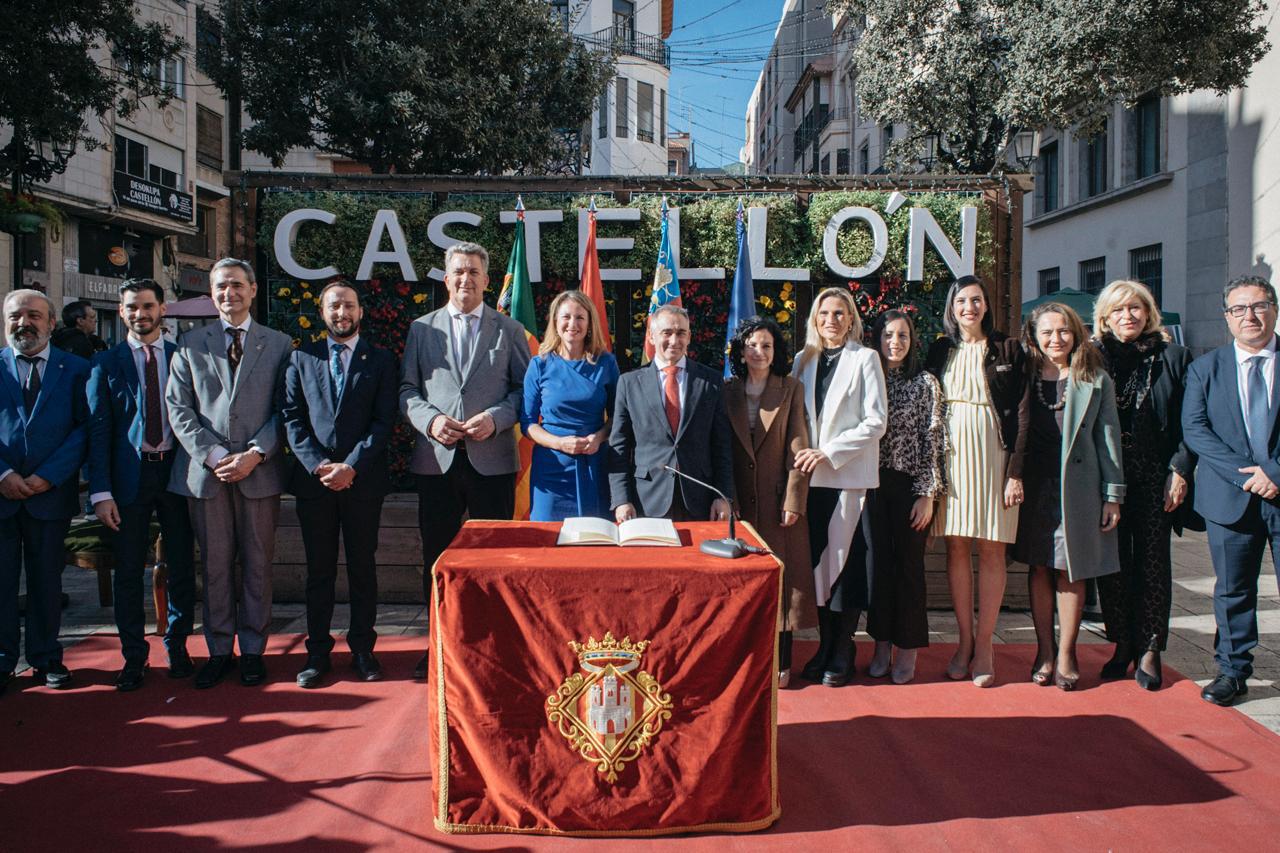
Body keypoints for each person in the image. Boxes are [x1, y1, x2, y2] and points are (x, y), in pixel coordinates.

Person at [401, 242, 530, 680]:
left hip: (492, 460)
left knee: (495, 559)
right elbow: (407, 392)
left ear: (487, 280)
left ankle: (492, 649)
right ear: (446, 278)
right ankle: (438, 646)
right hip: (436, 461)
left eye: (474, 272)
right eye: (458, 271)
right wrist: (430, 421)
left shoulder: (509, 330)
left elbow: (523, 393)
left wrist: (496, 419)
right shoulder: (422, 329)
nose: (465, 279)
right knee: (438, 559)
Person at [166, 258, 293, 689]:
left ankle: (254, 650)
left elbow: (286, 409)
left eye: (237, 285)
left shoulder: (278, 344)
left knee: (257, 564)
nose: (228, 293)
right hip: (207, 475)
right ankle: (220, 650)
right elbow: (179, 410)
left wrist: (256, 453)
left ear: (253, 289)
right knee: (216, 566)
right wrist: (216, 454)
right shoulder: (189, 343)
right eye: (221, 286)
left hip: (260, 472)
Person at [284, 281, 397, 688]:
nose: (341, 313)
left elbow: (385, 421)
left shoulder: (380, 359)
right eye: (334, 306)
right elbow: (293, 419)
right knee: (319, 571)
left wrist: (350, 466)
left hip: (362, 483)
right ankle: (317, 653)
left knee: (363, 568)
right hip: (315, 485)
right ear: (322, 312)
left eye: (348, 305)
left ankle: (363, 650)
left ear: (360, 311)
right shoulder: (302, 357)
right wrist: (320, 467)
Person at [87, 278, 196, 691]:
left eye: (147, 306)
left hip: (175, 472)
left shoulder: (181, 356)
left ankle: (178, 647)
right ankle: (134, 656)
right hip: (128, 481)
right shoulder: (105, 364)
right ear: (121, 312)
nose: (140, 314)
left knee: (182, 566)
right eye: (132, 307)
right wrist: (100, 492)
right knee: (128, 572)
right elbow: (98, 431)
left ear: (162, 309)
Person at [1010, 303, 1124, 691]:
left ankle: (1068, 653)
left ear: (1076, 333)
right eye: (1047, 332)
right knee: (1039, 566)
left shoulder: (1095, 377)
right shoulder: (1023, 376)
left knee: (1070, 569)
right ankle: (1044, 650)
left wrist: (1113, 495)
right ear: (1034, 337)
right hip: (1034, 486)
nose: (1055, 339)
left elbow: (1108, 440)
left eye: (1063, 331)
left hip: (1077, 488)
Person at [1093, 279, 1197, 691]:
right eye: (1118, 310)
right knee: (1113, 564)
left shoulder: (1174, 357)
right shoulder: (1094, 358)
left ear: (1148, 313)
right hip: (1107, 477)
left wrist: (1181, 469)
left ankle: (1151, 646)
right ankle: (1121, 643)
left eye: (1135, 308)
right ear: (1105, 317)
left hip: (1156, 474)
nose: (1128, 316)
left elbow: (1190, 421)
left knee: (1153, 562)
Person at [1182, 274, 1280, 707]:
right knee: (1233, 590)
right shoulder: (1206, 367)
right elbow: (1195, 430)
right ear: (1227, 317)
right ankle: (1233, 671)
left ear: (1273, 309)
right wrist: (1246, 475)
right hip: (1230, 498)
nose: (1249, 316)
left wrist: (1274, 471)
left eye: (1258, 306)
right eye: (1239, 309)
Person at [925, 274, 1027, 687]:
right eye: (962, 300)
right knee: (956, 547)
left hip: (994, 457)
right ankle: (964, 642)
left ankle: (986, 645)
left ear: (987, 305)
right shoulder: (940, 349)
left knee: (992, 551)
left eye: (977, 300)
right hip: (950, 459)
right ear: (952, 307)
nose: (970, 307)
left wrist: (1015, 472)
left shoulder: (1008, 348)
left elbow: (1022, 413)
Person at [792, 287, 887, 687]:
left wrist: (829, 452)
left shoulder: (866, 359)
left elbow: (875, 420)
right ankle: (825, 645)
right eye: (824, 313)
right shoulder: (803, 360)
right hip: (811, 482)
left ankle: (844, 648)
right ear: (815, 319)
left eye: (839, 313)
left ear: (851, 319)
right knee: (818, 567)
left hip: (847, 477)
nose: (831, 320)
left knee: (843, 567)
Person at [0, 289, 90, 694]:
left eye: (34, 315)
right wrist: (2, 474)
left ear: (52, 323)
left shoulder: (77, 369)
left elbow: (84, 429)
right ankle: (3, 661)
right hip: (1, 493)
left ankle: (46, 657)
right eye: (16, 316)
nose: (25, 323)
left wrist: (49, 476)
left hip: (49, 495)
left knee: (46, 582)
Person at [723, 316, 811, 687]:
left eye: (767, 345)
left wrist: (794, 497)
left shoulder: (790, 388)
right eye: (752, 345)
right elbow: (721, 448)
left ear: (776, 352)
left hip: (778, 502)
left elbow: (798, 444)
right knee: (739, 582)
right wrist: (726, 497)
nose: (759, 352)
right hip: (738, 501)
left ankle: (781, 661)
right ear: (741, 351)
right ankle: (742, 661)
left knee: (781, 580)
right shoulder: (726, 390)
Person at [864, 310, 946, 685]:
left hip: (910, 485)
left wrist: (927, 493)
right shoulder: (868, 378)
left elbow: (934, 440)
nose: (895, 343)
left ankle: (908, 648)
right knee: (878, 567)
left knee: (909, 569)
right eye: (888, 336)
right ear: (877, 339)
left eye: (902, 336)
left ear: (912, 341)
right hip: (871, 484)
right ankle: (881, 644)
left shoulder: (926, 382)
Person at [608, 304, 734, 523]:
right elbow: (619, 446)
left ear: (689, 336)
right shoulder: (629, 383)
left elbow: (722, 445)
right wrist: (621, 500)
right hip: (646, 499)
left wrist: (723, 496)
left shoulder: (710, 382)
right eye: (667, 333)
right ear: (652, 336)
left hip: (700, 498)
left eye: (681, 333)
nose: (674, 341)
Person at [522, 290, 619, 521]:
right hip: (551, 468)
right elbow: (527, 423)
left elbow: (619, 416)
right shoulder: (539, 364)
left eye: (579, 317)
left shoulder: (606, 363)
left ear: (589, 323)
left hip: (594, 463)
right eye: (566, 317)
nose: (572, 324)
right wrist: (559, 443)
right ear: (555, 321)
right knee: (546, 542)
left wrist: (598, 438)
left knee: (593, 541)